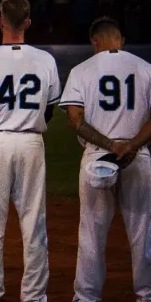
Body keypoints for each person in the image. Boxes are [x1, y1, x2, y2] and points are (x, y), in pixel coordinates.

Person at [0, 0, 60, 301]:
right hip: (32, 142)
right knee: (34, 225)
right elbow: (49, 111)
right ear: (28, 23)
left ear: (0, 21)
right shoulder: (46, 60)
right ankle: (34, 297)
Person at [59, 17, 151, 301]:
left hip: (97, 158)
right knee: (143, 232)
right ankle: (147, 294)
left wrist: (110, 144)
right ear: (121, 40)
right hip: (139, 156)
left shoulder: (81, 70)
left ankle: (87, 297)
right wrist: (131, 144)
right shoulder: (146, 68)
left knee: (91, 234)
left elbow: (75, 120)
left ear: (94, 42)